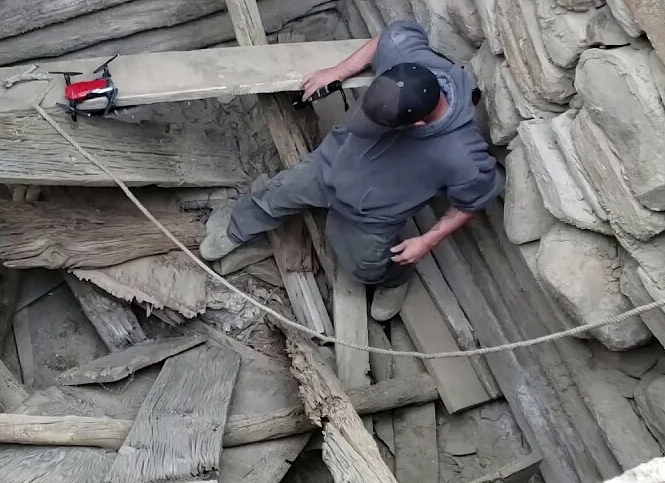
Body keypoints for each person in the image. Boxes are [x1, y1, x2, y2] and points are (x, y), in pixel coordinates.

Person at [200, 20, 504, 321]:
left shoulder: (462, 155)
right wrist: (339, 71)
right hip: (329, 166)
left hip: (370, 215)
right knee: (277, 193)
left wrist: (426, 242)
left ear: (418, 123)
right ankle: (237, 229)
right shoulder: (410, 62)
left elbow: (471, 203)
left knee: (364, 267)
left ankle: (394, 278)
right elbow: (388, 37)